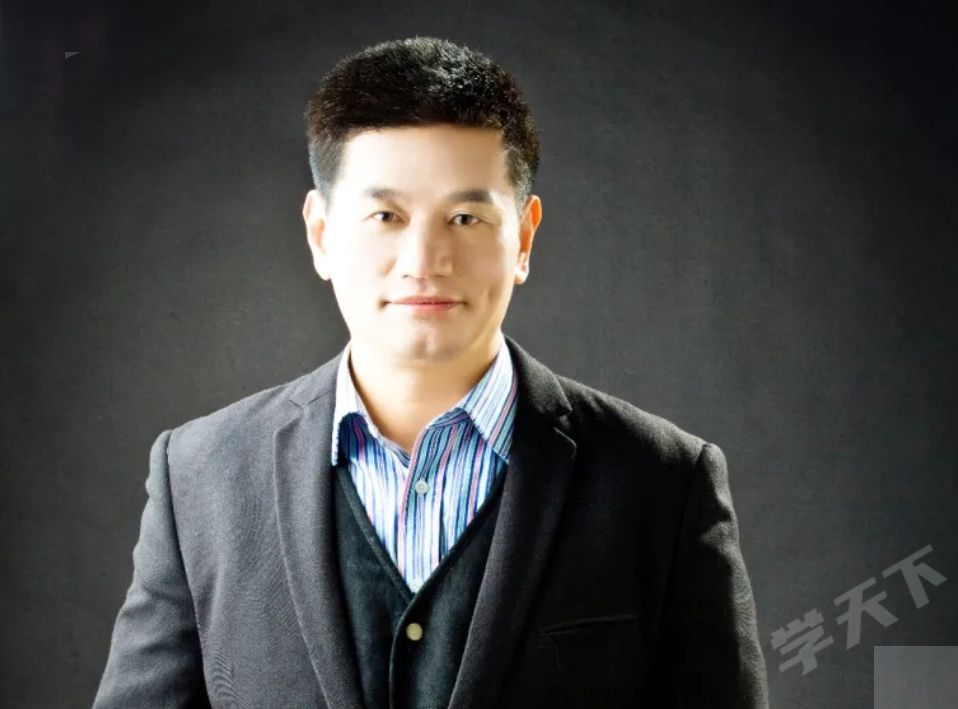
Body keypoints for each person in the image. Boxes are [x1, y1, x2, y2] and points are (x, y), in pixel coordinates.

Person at [93, 35, 770, 709]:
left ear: (524, 237)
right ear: (321, 234)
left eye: (466, 217)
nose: (424, 259)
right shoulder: (201, 478)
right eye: (385, 215)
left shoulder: (663, 482)